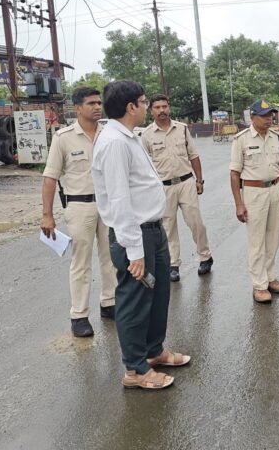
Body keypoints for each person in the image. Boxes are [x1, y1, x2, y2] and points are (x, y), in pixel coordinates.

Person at [92, 80, 190, 390]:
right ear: (130, 107)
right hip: (135, 236)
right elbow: (119, 199)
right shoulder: (114, 143)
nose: (148, 107)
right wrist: (134, 250)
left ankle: (153, 351)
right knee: (135, 301)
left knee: (158, 295)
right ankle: (135, 369)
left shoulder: (129, 136)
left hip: (152, 229)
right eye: (144, 102)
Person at [41, 87, 118, 338]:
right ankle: (79, 315)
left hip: (108, 205)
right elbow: (50, 177)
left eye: (99, 103)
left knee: (111, 257)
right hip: (79, 206)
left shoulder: (109, 134)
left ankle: (109, 303)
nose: (97, 107)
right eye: (91, 103)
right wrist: (47, 215)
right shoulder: (63, 138)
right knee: (81, 262)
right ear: (77, 108)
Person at [141, 94, 213, 282]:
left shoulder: (182, 129)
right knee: (168, 227)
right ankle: (173, 264)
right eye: (157, 107)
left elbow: (193, 155)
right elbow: (144, 165)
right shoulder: (147, 135)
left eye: (164, 106)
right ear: (151, 111)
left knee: (195, 222)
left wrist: (199, 180)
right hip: (163, 187)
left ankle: (205, 256)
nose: (161, 110)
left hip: (186, 182)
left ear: (169, 108)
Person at [230, 99, 279, 304]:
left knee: (273, 238)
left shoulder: (276, 138)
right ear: (252, 117)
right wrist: (239, 204)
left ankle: (270, 277)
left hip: (274, 190)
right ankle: (259, 285)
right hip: (254, 192)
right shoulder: (241, 139)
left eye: (270, 115)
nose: (269, 119)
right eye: (264, 115)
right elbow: (234, 174)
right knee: (256, 241)